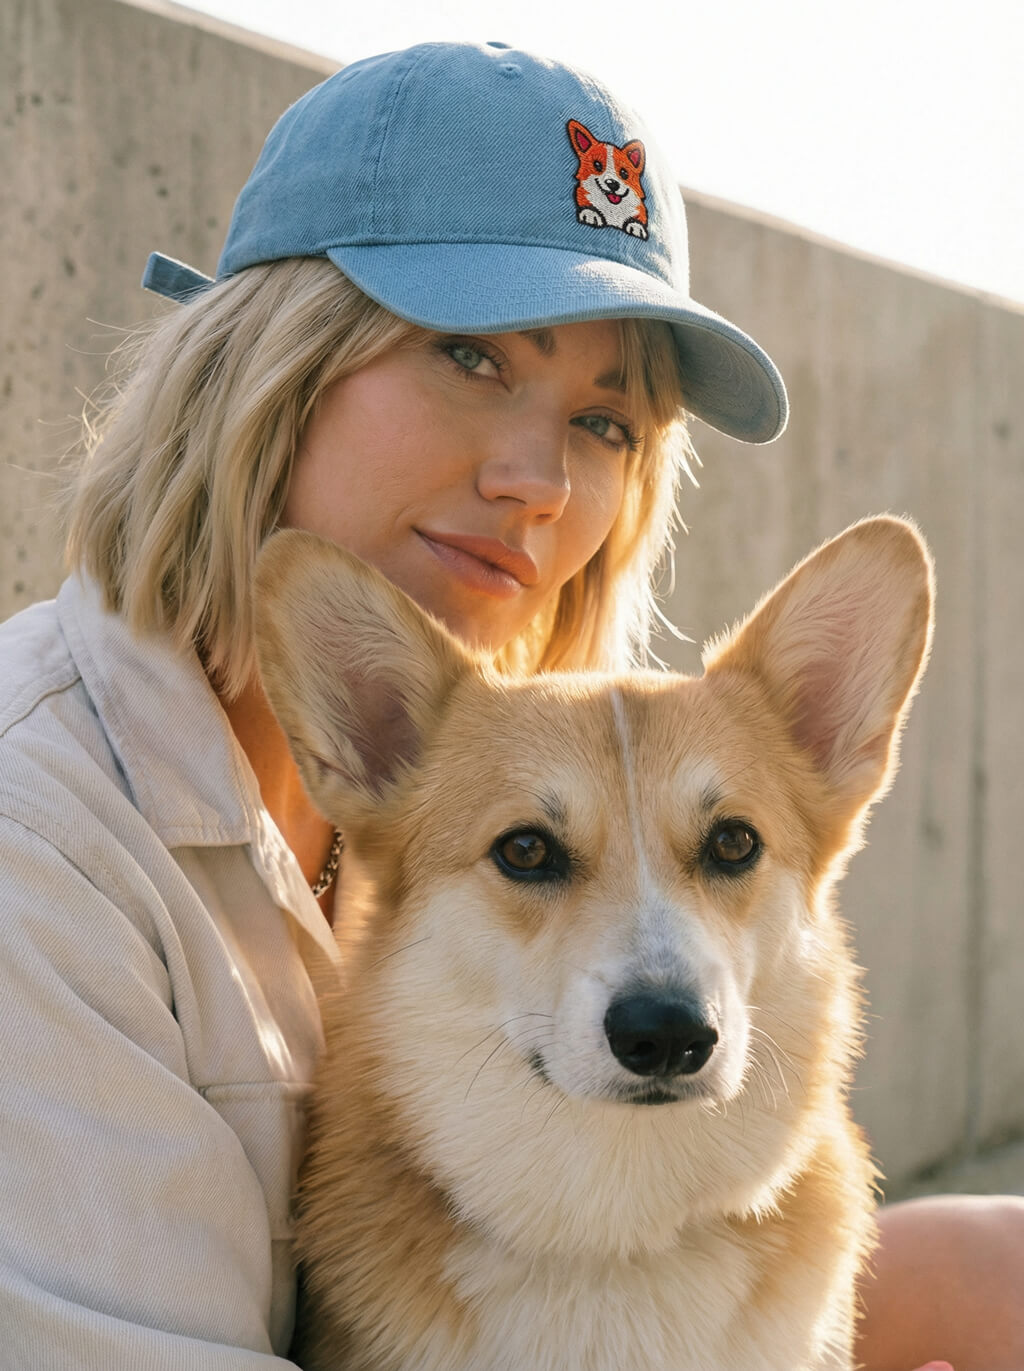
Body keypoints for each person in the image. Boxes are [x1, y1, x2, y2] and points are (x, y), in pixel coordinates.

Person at [0, 36, 1016, 1371]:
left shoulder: (470, 753)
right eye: (471, 358)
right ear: (277, 358)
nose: (540, 479)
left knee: (996, 1273)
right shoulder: (45, 835)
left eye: (607, 424)